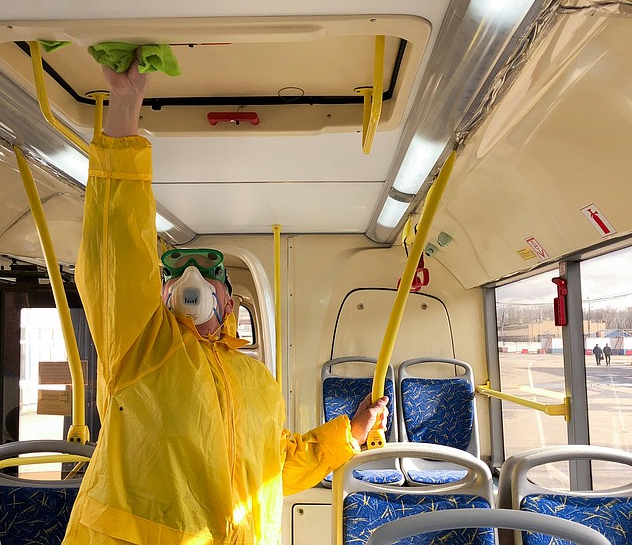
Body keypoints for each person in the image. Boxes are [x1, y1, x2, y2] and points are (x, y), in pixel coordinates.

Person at [62, 57, 389, 545]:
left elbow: (278, 464)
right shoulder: (141, 349)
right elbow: (115, 253)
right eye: (172, 271)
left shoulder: (256, 381)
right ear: (159, 294)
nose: (190, 277)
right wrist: (125, 109)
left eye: (212, 275)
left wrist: (353, 432)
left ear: (231, 307)